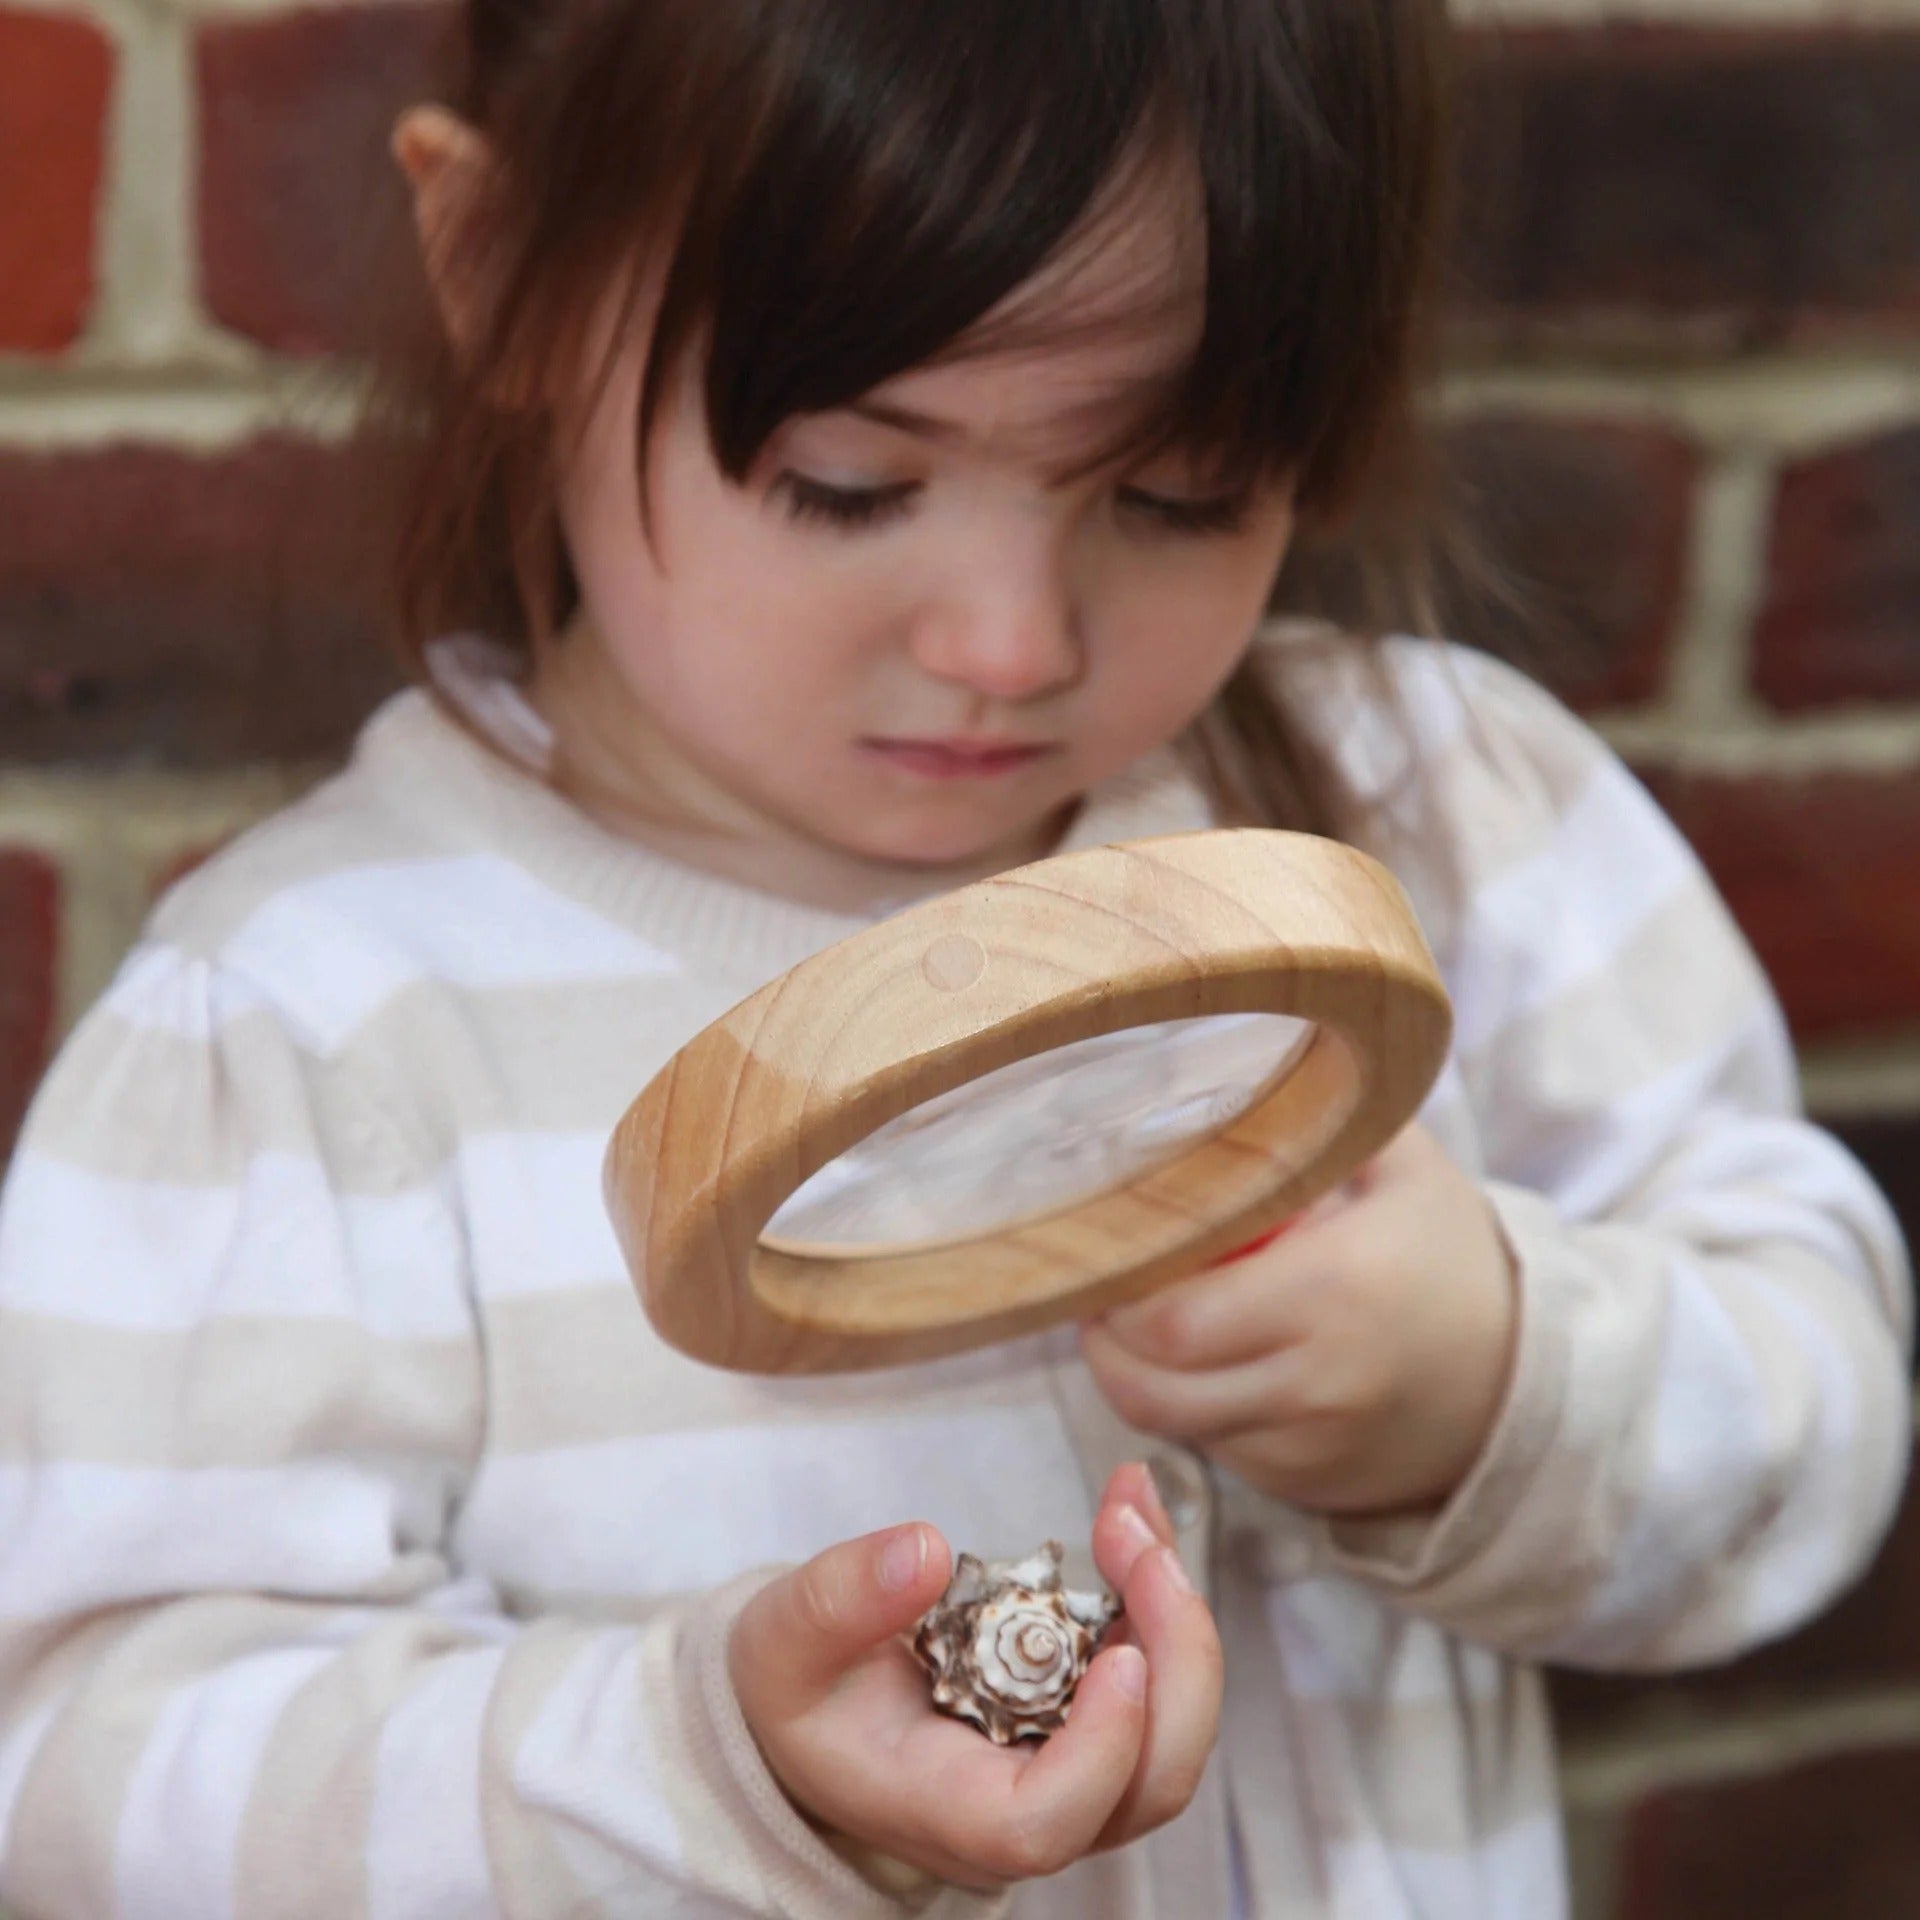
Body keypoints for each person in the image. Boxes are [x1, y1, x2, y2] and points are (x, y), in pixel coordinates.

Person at [0, 1, 1909, 1913]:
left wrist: (1495, 1383)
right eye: (849, 480)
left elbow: (1820, 1399)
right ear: (502, 271)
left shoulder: (1439, 818)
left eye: (1175, 491)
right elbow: (81, 1772)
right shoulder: (309, 1021)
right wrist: (697, 1770)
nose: (1012, 642)